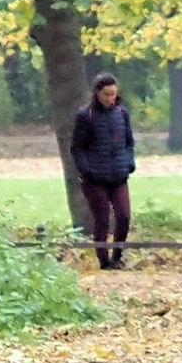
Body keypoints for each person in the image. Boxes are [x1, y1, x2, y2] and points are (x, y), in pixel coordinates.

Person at [63, 71, 138, 268]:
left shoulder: (122, 113)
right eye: (106, 94)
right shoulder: (85, 116)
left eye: (113, 94)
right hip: (95, 178)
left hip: (118, 175)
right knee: (102, 219)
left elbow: (129, 142)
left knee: (123, 216)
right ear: (97, 93)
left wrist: (129, 162)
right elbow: (77, 148)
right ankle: (103, 259)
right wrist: (87, 170)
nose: (110, 98)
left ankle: (117, 255)